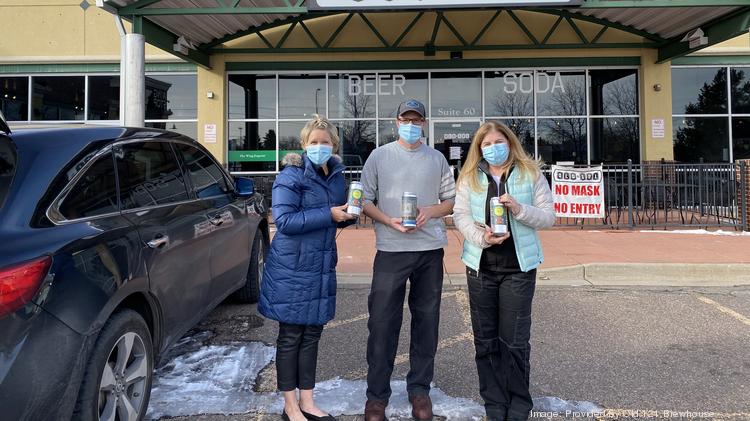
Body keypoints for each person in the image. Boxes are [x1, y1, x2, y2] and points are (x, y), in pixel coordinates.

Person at [360, 99, 456, 421]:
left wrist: (431, 211)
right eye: (406, 119)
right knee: (382, 324)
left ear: (424, 124)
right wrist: (389, 221)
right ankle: (377, 397)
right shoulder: (379, 156)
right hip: (390, 248)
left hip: (429, 249)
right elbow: (365, 200)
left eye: (417, 120)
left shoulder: (437, 158)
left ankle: (419, 391)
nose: (411, 125)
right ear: (396, 121)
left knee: (426, 322)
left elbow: (450, 201)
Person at [452, 121, 555, 421]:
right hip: (480, 267)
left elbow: (548, 217)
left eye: (498, 141)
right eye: (486, 144)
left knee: (515, 341)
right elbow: (460, 216)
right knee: (485, 341)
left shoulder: (530, 173)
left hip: (518, 269)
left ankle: (519, 404)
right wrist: (481, 237)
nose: (493, 148)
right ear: (479, 149)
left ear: (509, 142)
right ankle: (494, 404)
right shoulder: (470, 176)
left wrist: (520, 209)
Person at [258, 115, 355, 421]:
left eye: (324, 142)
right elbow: (284, 221)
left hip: (322, 264)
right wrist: (329, 214)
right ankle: (289, 406)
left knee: (312, 334)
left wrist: (348, 214)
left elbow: (337, 214)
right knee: (290, 336)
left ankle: (308, 401)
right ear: (303, 145)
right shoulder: (292, 174)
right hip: (293, 266)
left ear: (334, 145)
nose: (319, 147)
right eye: (313, 142)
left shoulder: (337, 176)